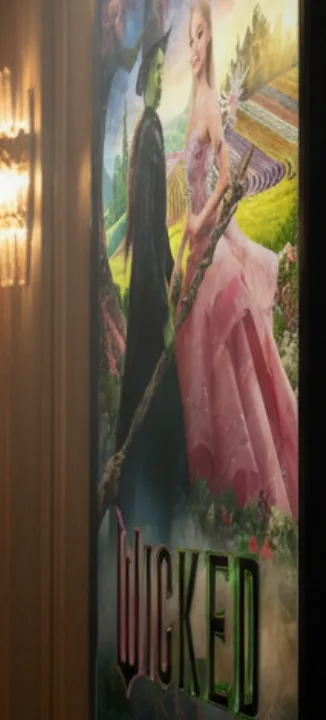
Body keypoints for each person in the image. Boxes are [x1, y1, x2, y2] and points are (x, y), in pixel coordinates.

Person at [173, 1, 298, 517]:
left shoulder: (206, 106)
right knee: (202, 361)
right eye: (189, 39)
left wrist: (201, 222)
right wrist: (184, 250)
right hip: (196, 248)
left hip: (212, 243)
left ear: (210, 41)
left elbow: (226, 177)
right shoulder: (194, 104)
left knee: (226, 358)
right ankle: (218, 492)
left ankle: (248, 486)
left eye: (200, 36)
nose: (194, 47)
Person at [113, 24, 189, 541]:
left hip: (147, 298)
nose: (162, 75)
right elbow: (144, 228)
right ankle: (155, 514)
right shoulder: (151, 137)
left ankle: (145, 512)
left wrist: (168, 268)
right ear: (148, 79)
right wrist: (161, 306)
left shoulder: (149, 131)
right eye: (157, 68)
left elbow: (154, 228)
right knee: (155, 411)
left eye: (165, 67)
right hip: (147, 308)